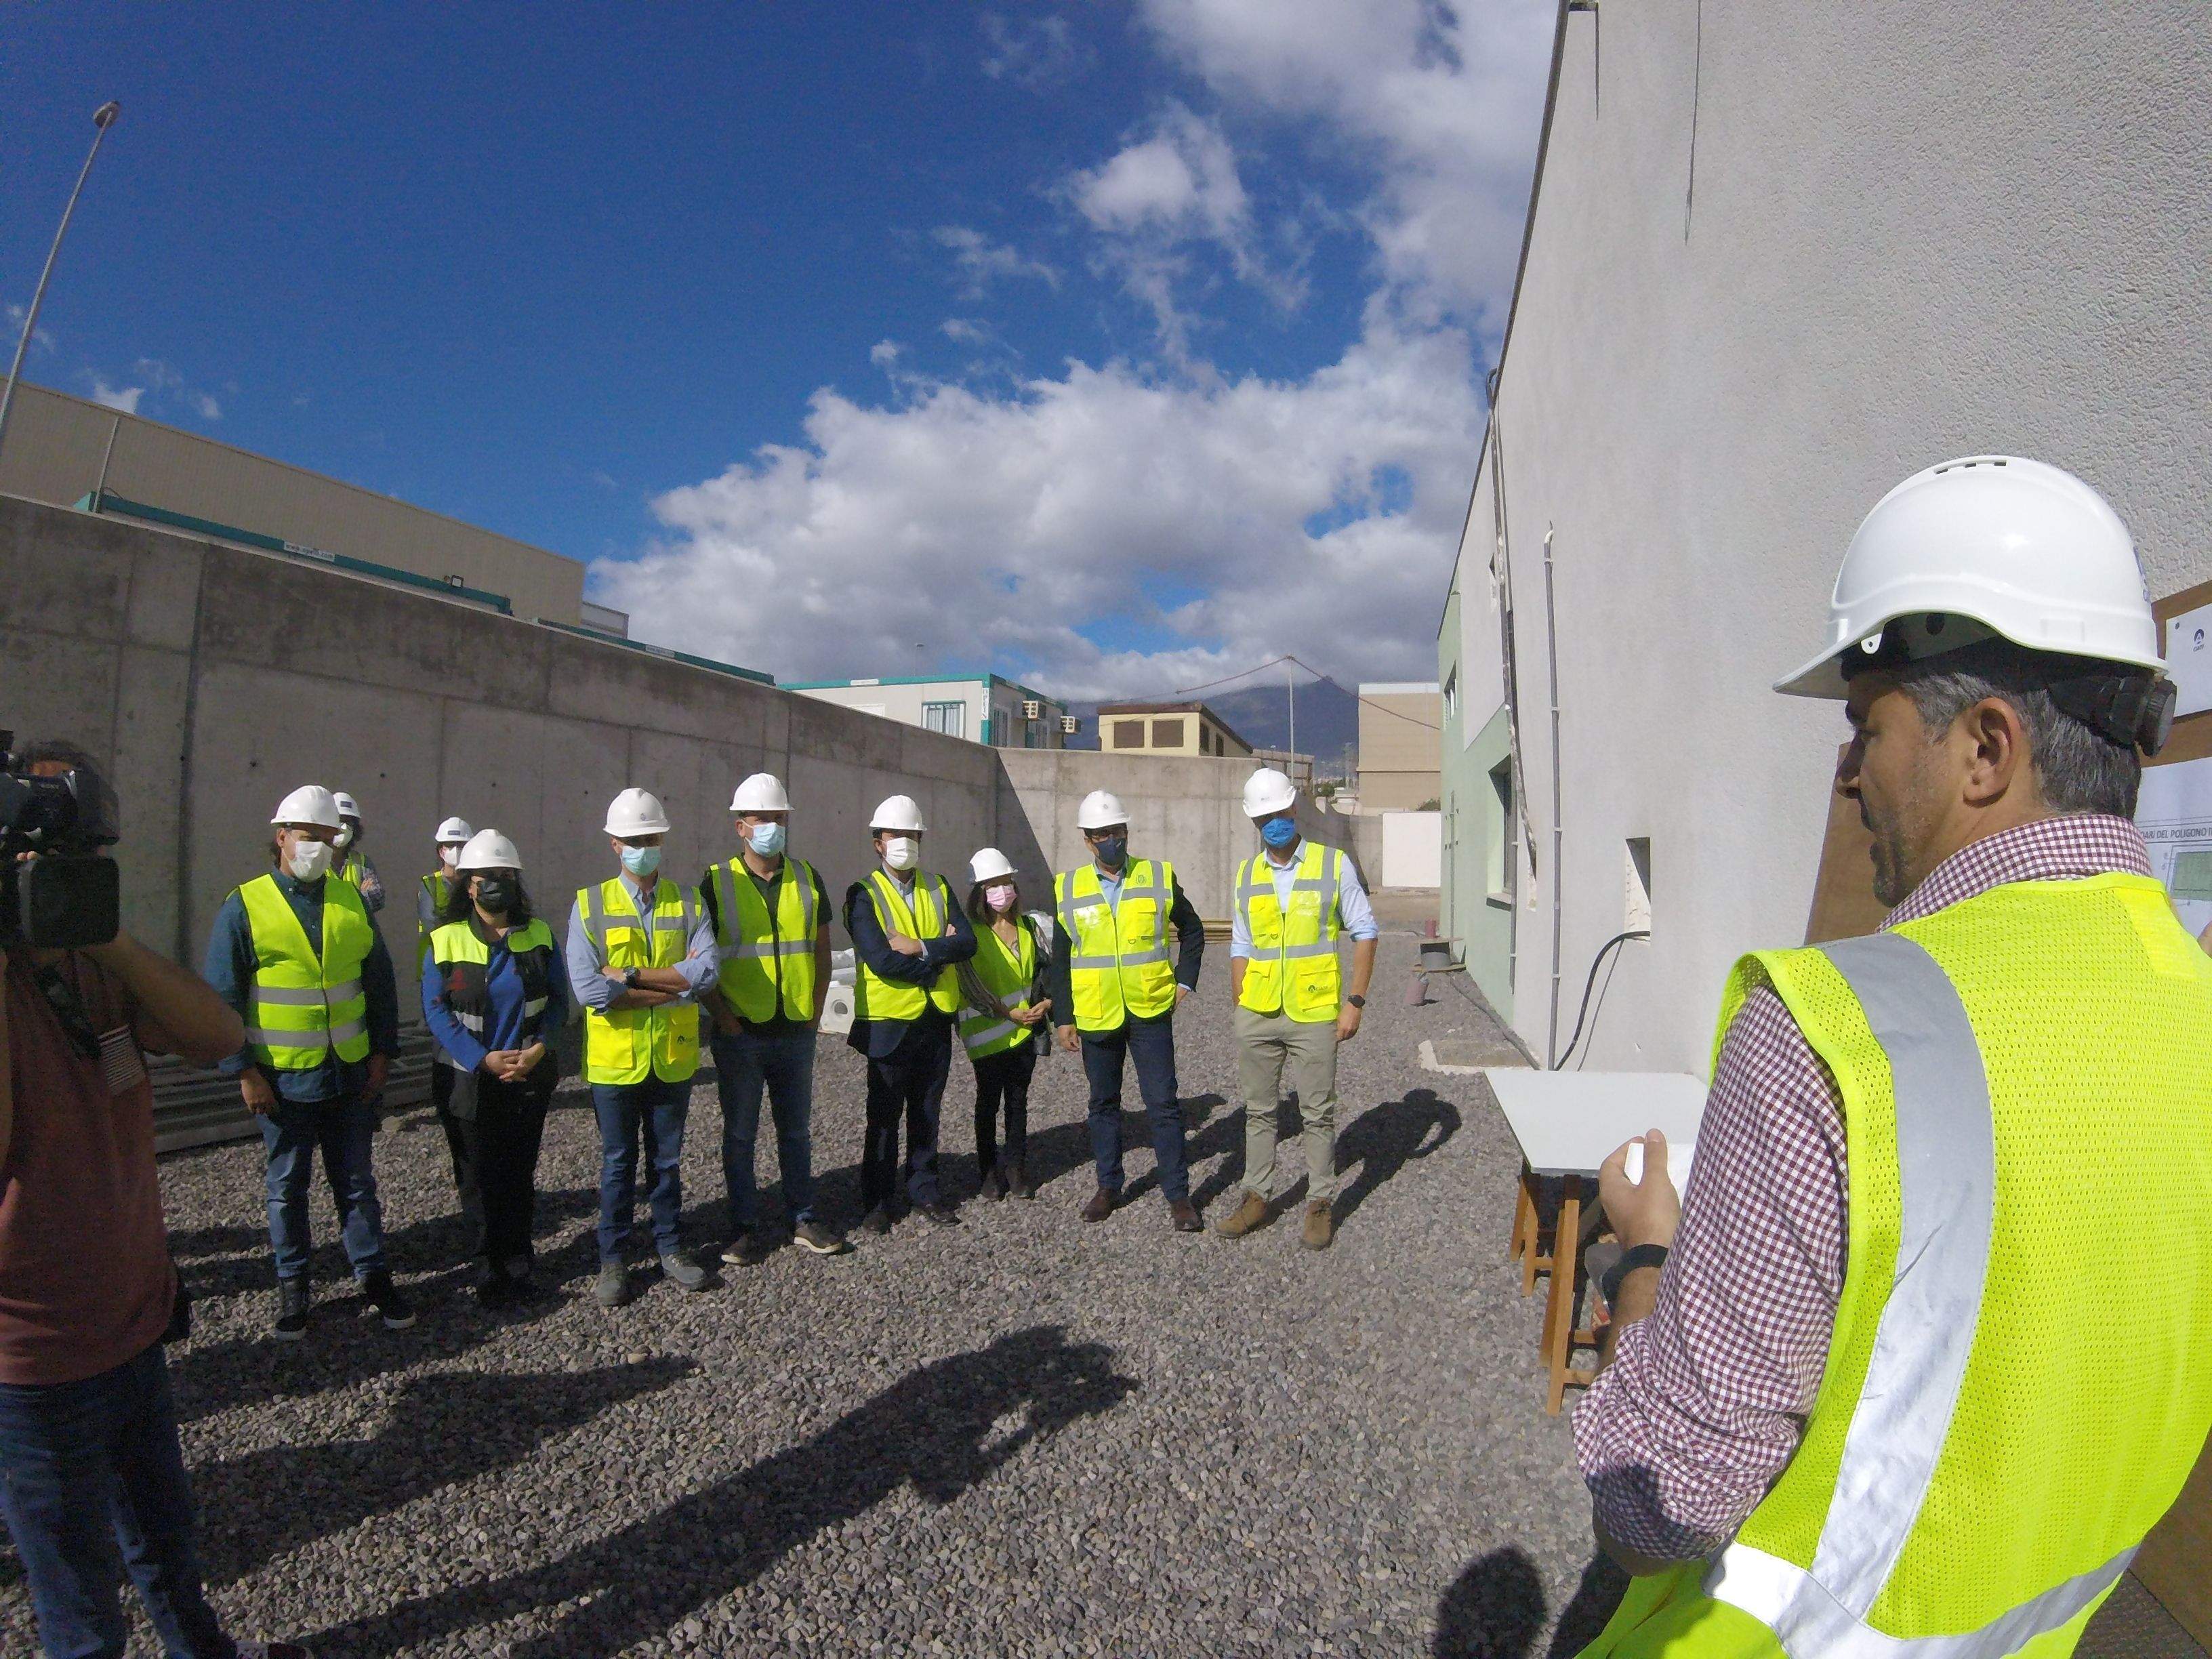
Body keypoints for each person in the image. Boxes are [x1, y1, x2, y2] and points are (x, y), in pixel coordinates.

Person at [1572, 457, 2209, 1656]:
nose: (1846, 772)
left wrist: (1644, 1258)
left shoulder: (1833, 1025)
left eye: (1865, 725)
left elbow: (1653, 1506)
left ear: (1982, 749)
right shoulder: (2193, 1009)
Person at [1, 740, 312, 1659]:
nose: (71, 877)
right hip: (38, 1359)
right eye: (49, 863)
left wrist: (108, 938)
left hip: (137, 1325)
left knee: (170, 1554)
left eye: (87, 860)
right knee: (82, 1611)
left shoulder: (101, 968)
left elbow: (219, 1034)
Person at [203, 784, 409, 1339]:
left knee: (357, 1184)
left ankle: (373, 1276)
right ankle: (294, 1286)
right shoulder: (244, 905)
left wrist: (382, 1054)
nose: (318, 847)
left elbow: (380, 984)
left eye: (326, 838)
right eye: (308, 836)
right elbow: (220, 997)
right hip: (280, 1081)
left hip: (348, 1073)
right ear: (282, 838)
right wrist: (244, 1071)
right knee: (287, 1187)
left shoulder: (352, 901)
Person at [565, 787, 717, 1308]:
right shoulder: (588, 904)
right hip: (615, 1064)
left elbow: (706, 975)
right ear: (614, 844)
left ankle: (671, 1247)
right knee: (617, 1163)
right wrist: (671, 986)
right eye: (632, 840)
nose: (642, 847)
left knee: (668, 1162)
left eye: (649, 838)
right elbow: (588, 990)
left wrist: (627, 978)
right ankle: (613, 1259)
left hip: (671, 1058)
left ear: (662, 839)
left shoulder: (689, 900)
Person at [1214, 768, 1379, 1251]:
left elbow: (1365, 932)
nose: (1274, 822)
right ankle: (1257, 1197)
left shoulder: (1333, 864)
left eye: (1280, 812)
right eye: (1264, 817)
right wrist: (1239, 1000)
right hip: (1258, 1011)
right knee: (1260, 1111)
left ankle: (1320, 1202)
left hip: (1313, 1013)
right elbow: (1240, 942)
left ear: (1294, 809)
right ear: (1254, 821)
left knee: (1317, 1113)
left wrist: (1355, 1003)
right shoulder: (1247, 873)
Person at [701, 773, 848, 1265]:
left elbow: (822, 949)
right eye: (761, 819)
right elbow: (702, 961)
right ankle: (744, 1226)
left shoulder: (808, 877)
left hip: (795, 1031)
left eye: (778, 818)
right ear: (740, 827)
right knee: (740, 1134)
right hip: (741, 1031)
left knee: (796, 1131)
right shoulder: (716, 881)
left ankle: (803, 1217)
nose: (771, 826)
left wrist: (815, 1008)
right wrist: (722, 1017)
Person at [1045, 790, 1206, 1231]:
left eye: (1116, 831)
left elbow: (1192, 931)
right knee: (1103, 1104)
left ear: (1127, 832)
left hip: (1150, 1009)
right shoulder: (1068, 888)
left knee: (1163, 1104)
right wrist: (1063, 1016)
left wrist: (1185, 979)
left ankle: (1178, 1197)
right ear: (1087, 840)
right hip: (1097, 1013)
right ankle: (1109, 1186)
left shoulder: (1157, 876)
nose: (1110, 840)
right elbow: (1061, 959)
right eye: (1101, 834)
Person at [421, 830, 568, 1307]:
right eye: (487, 876)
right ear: (468, 884)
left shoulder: (539, 935)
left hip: (527, 1077)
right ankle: (486, 1269)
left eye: (505, 875)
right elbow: (436, 1011)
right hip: (467, 1082)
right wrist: (480, 1058)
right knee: (477, 1177)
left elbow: (558, 1003)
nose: (496, 884)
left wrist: (539, 1049)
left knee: (518, 1174)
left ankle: (519, 1263)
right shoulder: (444, 940)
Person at [844, 794, 976, 1233]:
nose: (905, 841)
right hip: (889, 1024)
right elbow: (880, 959)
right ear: (877, 842)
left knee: (927, 1112)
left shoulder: (938, 886)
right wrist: (938, 955)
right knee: (882, 1118)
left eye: (912, 834)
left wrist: (920, 947)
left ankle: (925, 1192)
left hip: (935, 1021)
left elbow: (969, 942)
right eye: (895, 834)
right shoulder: (863, 894)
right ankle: (877, 1201)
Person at [956, 848, 1051, 1200]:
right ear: (979, 891)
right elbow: (968, 982)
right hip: (987, 1034)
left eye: (1006, 882)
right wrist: (1003, 1011)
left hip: (1023, 1032)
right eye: (993, 885)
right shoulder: (970, 933)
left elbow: (1043, 972)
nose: (1002, 891)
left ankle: (1016, 1167)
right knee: (988, 1102)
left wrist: (1047, 1002)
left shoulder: (1029, 926)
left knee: (1018, 1101)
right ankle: (988, 1171)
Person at [419, 815, 475, 1228]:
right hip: (442, 968)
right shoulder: (429, 884)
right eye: (450, 846)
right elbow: (436, 920)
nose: (456, 851)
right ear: (441, 850)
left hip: (466, 969)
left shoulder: (474, 881)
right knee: (445, 1035)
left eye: (462, 845)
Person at [329, 790, 385, 914]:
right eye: (339, 820)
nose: (344, 827)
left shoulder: (362, 862)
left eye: (348, 822)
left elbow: (378, 899)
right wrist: (360, 895)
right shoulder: (316, 858)